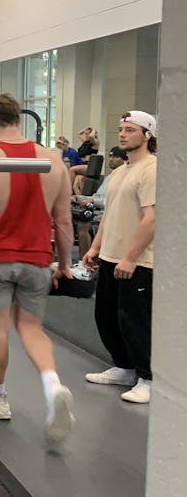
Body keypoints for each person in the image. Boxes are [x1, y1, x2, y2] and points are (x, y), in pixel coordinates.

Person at [0, 93, 76, 448]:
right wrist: (64, 264)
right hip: (38, 260)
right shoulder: (54, 162)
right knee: (32, 329)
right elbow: (64, 222)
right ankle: (53, 388)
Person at [83, 111, 157, 404]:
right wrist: (94, 248)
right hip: (112, 256)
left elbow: (152, 219)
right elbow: (109, 216)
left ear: (147, 135)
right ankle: (125, 368)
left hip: (137, 261)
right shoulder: (119, 172)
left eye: (130, 129)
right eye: (120, 129)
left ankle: (148, 378)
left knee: (135, 321)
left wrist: (130, 257)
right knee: (107, 317)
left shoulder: (152, 169)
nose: (122, 134)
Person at [71, 146, 127, 257]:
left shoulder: (124, 178)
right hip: (99, 209)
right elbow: (97, 196)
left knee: (84, 224)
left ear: (124, 160)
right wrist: (78, 198)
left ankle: (84, 263)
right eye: (110, 156)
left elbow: (111, 201)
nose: (111, 159)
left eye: (115, 157)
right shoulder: (110, 177)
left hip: (109, 213)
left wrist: (92, 200)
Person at [69, 127, 100, 194]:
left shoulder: (95, 142)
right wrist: (86, 129)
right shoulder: (86, 142)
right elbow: (79, 134)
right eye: (85, 134)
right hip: (84, 164)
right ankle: (79, 199)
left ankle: (68, 190)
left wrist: (93, 129)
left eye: (88, 134)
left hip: (90, 165)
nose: (86, 135)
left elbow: (92, 136)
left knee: (72, 169)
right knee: (76, 186)